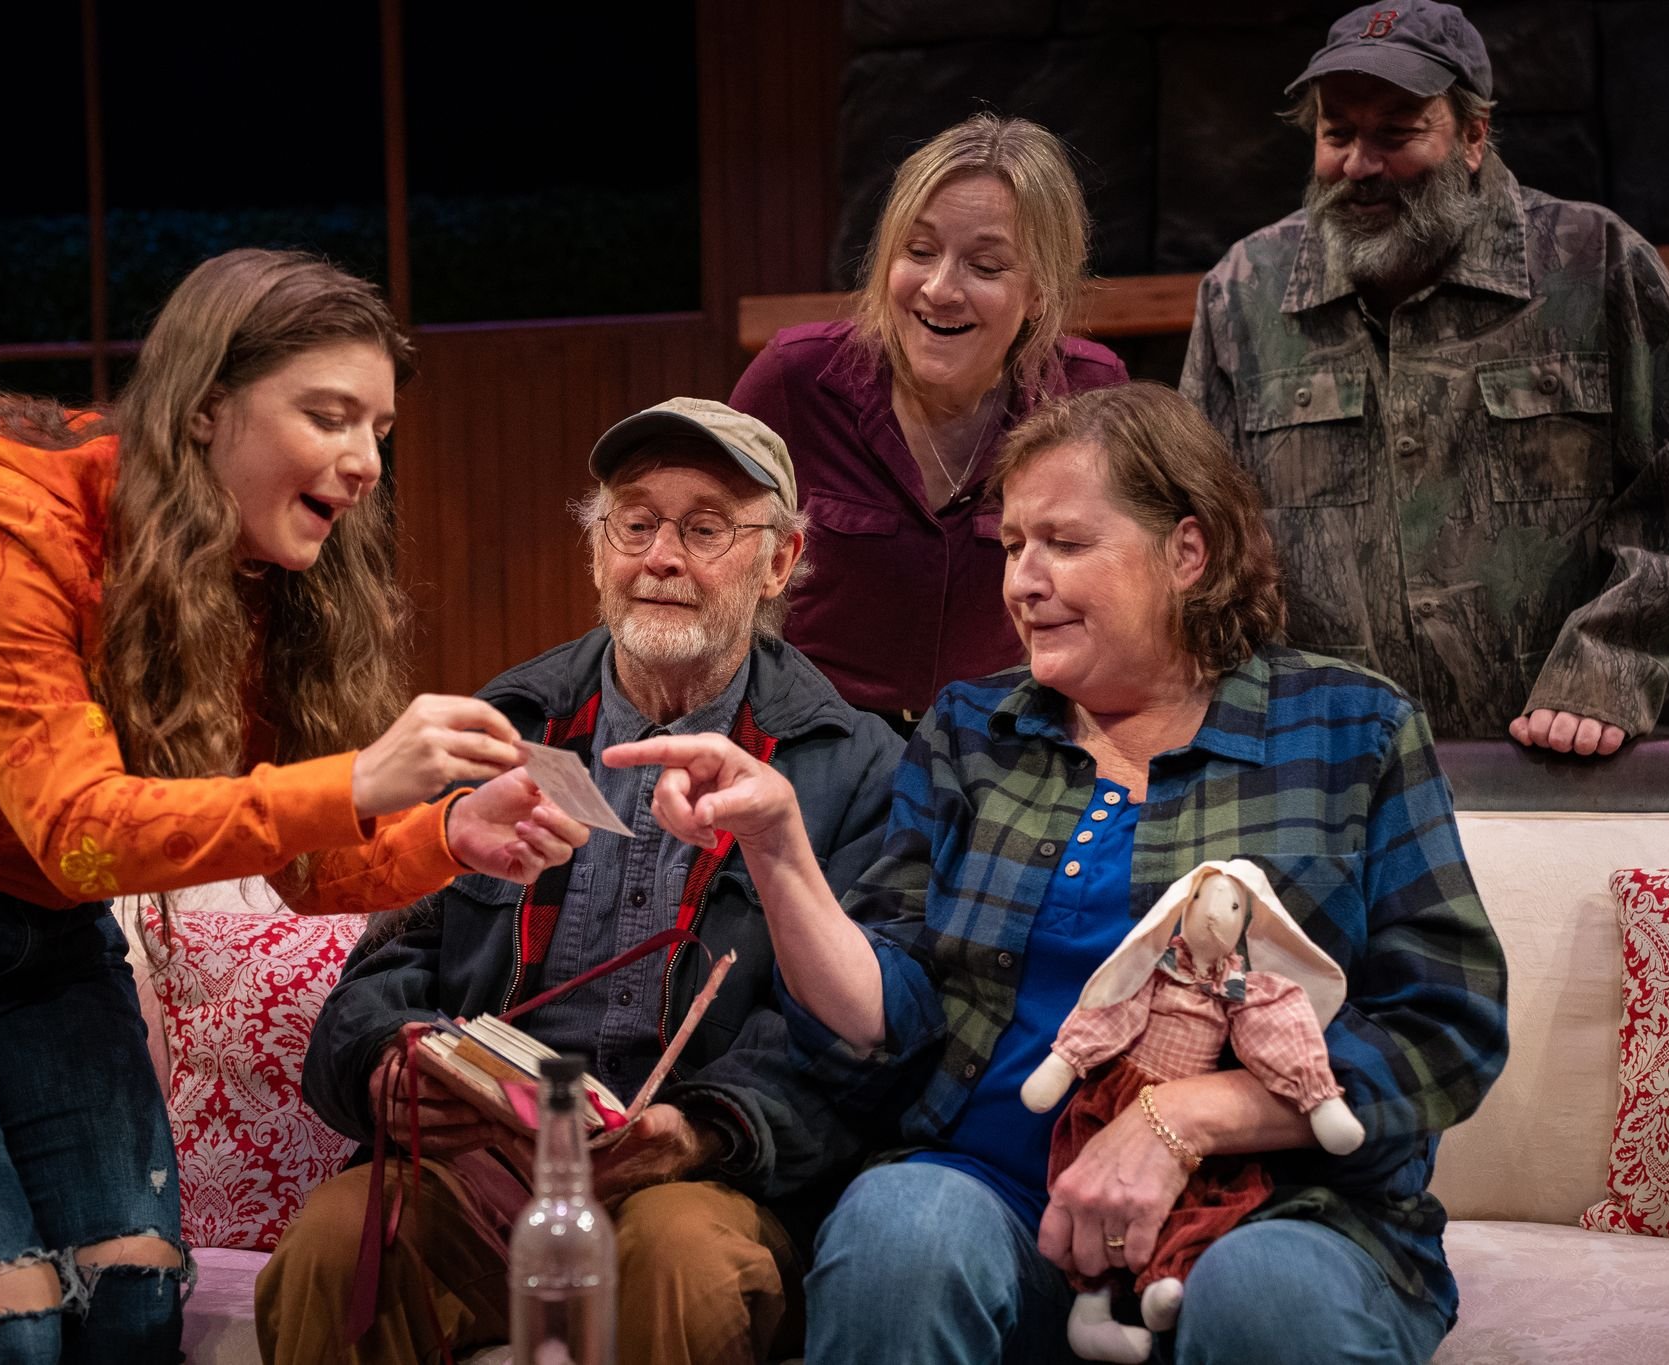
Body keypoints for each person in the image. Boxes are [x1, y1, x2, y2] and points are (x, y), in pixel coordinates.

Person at [0, 249, 582, 1365]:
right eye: (329, 416)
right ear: (204, 408)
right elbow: (81, 832)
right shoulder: (5, 542)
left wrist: (450, 834)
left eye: (379, 430)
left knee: (130, 1300)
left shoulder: (253, 582)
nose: (365, 463)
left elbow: (304, 867)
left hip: (40, 950)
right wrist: (360, 780)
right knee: (6, 1322)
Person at [609, 382, 1508, 1365]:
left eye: (1063, 545)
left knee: (1268, 1297)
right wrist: (778, 847)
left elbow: (1445, 1028)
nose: (1021, 582)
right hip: (997, 1200)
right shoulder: (972, 732)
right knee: (899, 1233)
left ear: (1186, 551)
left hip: (1279, 1212)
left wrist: (1182, 1117)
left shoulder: (1347, 729)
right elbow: (882, 1020)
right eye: (1010, 547)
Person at [255, 398, 904, 1365]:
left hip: (706, 1182)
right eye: (634, 523)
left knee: (679, 1260)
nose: (661, 558)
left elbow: (868, 1049)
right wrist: (386, 1062)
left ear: (779, 560)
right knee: (336, 1240)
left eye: (705, 527)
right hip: (489, 1167)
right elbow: (381, 970)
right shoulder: (501, 725)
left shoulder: (855, 765)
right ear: (598, 550)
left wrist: (702, 1129)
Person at [1180, 0, 1669, 754]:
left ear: (1472, 136)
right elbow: (1198, 539)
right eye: (1336, 132)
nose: (1360, 166)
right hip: (1322, 770)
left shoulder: (1596, 264)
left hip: (1553, 759)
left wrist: (1602, 674)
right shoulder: (1243, 292)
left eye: (1397, 133)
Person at [731, 112, 1127, 732]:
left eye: (986, 266)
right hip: (815, 740)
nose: (940, 289)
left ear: (1040, 291)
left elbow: (1124, 600)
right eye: (918, 252)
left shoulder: (1090, 396)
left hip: (1009, 743)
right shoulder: (792, 379)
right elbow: (715, 576)